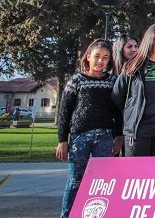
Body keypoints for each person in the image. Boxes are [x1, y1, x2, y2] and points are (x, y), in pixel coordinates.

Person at [57, 39, 122, 218]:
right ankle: (68, 214)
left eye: (105, 58)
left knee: (102, 182)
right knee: (75, 181)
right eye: (97, 57)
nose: (100, 61)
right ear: (88, 57)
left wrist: (119, 137)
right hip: (80, 138)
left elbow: (119, 112)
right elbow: (64, 112)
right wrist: (62, 140)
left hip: (105, 137)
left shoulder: (112, 81)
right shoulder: (76, 80)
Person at [111, 23, 155, 156]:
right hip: (137, 131)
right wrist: (132, 111)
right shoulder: (133, 67)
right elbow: (117, 96)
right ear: (149, 40)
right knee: (136, 175)